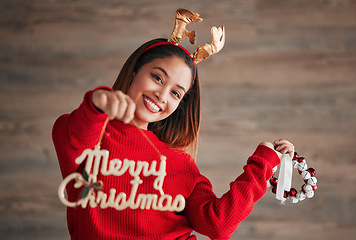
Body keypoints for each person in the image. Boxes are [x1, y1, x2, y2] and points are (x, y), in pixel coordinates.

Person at [52, 11, 294, 240]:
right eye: (157, 78)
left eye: (176, 93)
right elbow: (74, 133)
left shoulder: (179, 163)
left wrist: (262, 163)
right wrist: (99, 102)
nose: (162, 95)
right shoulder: (90, 137)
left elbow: (218, 225)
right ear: (135, 71)